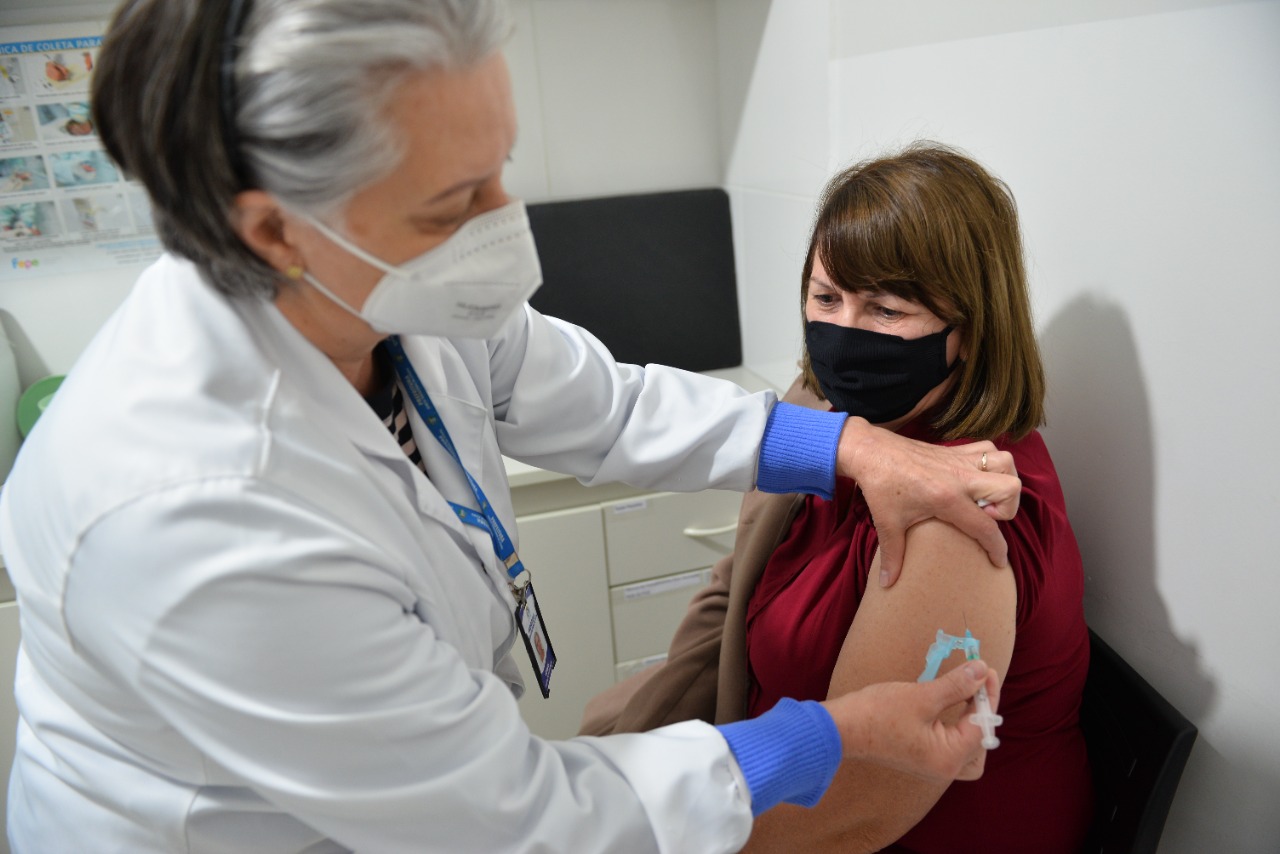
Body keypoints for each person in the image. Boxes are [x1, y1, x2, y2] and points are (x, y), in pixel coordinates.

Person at [0, 4, 1019, 852]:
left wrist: (846, 444)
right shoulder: (194, 510)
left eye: (501, 167)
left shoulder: (381, 295)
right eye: (455, 202)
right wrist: (821, 739)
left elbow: (606, 405)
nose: (506, 222)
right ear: (273, 230)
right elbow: (515, 818)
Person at [582, 144, 1093, 853]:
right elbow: (733, 593)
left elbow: (855, 808)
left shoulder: (957, 512)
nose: (843, 333)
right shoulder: (828, 421)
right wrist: (644, 740)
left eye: (886, 309)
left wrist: (637, 829)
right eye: (826, 297)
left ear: (971, 330)